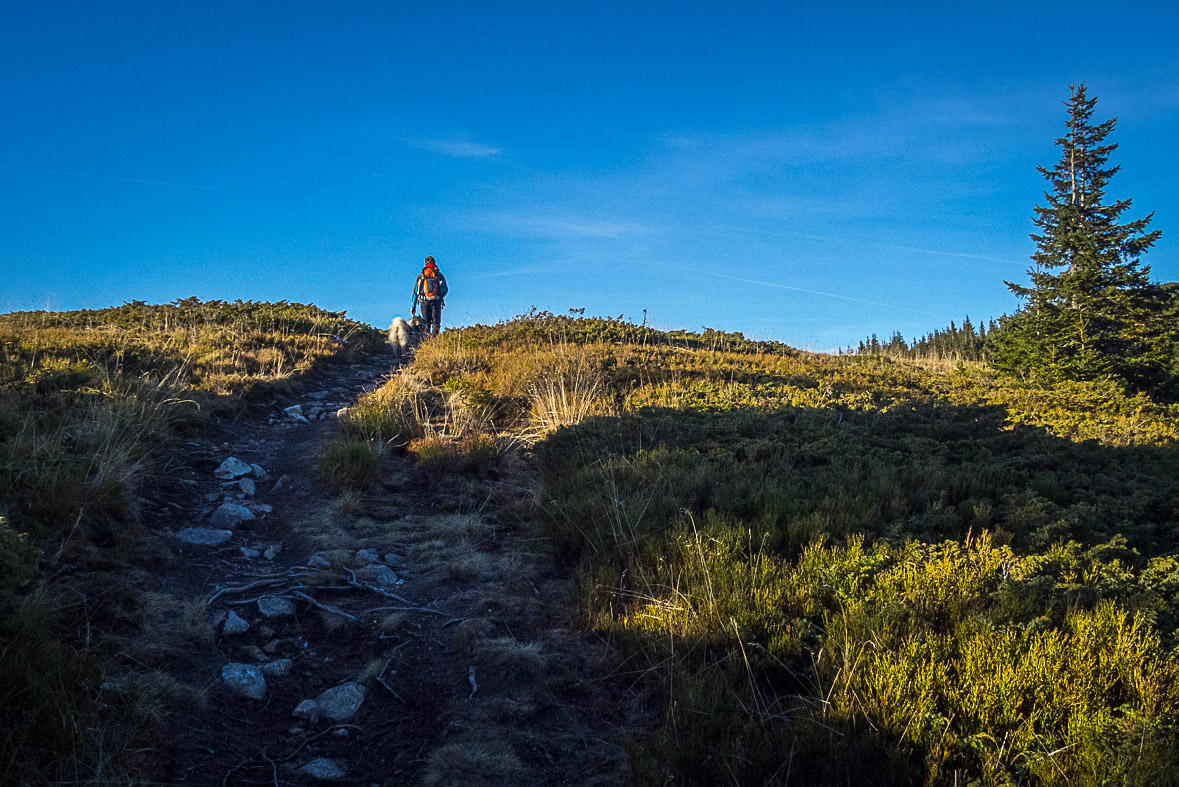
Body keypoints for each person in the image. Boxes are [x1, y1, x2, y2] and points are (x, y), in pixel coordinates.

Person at [411, 255, 448, 336]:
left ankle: (426, 342)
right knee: (436, 323)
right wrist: (439, 294)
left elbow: (415, 292)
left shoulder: (421, 276)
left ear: (425, 264)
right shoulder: (439, 275)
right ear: (434, 263)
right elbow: (445, 290)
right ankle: (434, 341)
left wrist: (413, 306)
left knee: (426, 322)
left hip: (424, 302)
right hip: (436, 301)